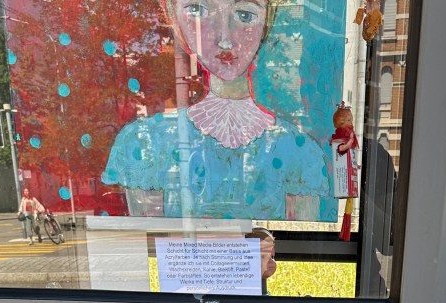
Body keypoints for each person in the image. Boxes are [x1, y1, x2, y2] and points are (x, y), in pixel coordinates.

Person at [101, 0, 331, 220]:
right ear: (174, 15)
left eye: (244, 15)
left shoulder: (298, 151)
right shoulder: (145, 143)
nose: (225, 40)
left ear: (266, 21)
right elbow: (151, 247)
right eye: (198, 10)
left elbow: (296, 241)